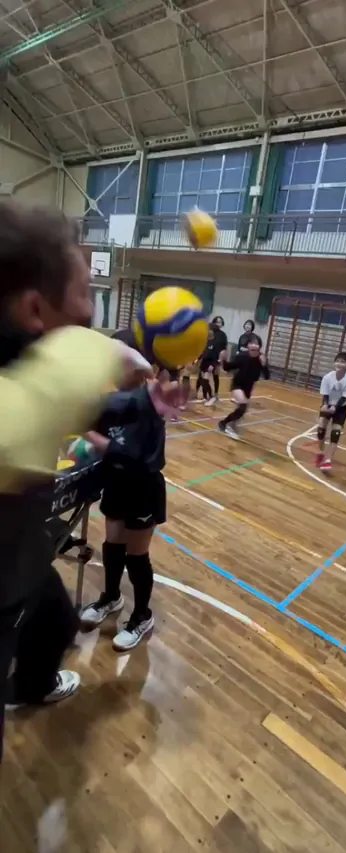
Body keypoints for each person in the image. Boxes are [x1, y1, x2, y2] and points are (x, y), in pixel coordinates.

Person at [0, 201, 152, 761]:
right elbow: (43, 400)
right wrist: (115, 352)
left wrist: (134, 396)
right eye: (87, 290)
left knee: (56, 616)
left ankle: (34, 684)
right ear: (36, 308)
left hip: (20, 560)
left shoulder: (22, 366)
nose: (94, 306)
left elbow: (60, 394)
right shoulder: (18, 407)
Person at [78, 369, 170, 651]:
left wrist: (90, 436)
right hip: (116, 484)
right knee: (112, 545)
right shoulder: (109, 403)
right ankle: (111, 597)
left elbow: (136, 457)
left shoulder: (151, 406)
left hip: (143, 487)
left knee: (136, 556)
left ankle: (142, 616)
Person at [218, 338, 270, 440]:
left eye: (256, 344)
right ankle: (226, 425)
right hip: (237, 385)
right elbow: (228, 367)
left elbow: (267, 376)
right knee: (242, 405)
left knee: (242, 410)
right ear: (248, 346)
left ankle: (227, 423)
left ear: (259, 347)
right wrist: (223, 360)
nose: (253, 346)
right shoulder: (242, 356)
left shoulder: (261, 359)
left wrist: (264, 365)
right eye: (251, 343)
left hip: (248, 387)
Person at [316, 352, 346, 473]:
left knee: (336, 432)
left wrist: (335, 407)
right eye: (337, 360)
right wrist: (325, 405)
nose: (339, 363)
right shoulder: (328, 377)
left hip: (341, 408)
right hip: (328, 404)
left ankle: (328, 460)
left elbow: (345, 397)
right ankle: (321, 452)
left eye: (343, 362)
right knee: (321, 428)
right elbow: (325, 393)